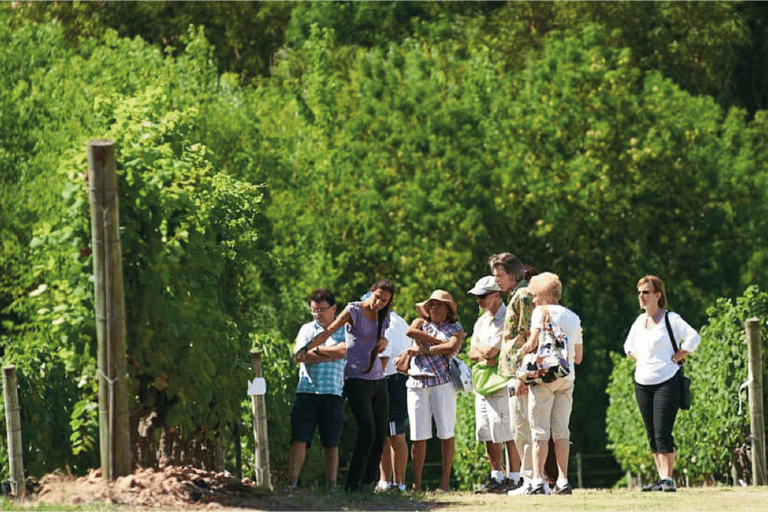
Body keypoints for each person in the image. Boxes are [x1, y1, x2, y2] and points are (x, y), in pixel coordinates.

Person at [298, 279, 395, 493]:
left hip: (378, 378)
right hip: (356, 379)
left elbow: (383, 339)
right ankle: (352, 485)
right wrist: (306, 348)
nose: (379, 302)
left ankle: (369, 484)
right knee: (367, 431)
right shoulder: (354, 310)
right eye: (377, 296)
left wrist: (384, 343)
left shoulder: (384, 315)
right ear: (371, 291)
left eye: (384, 300)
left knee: (380, 434)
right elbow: (328, 331)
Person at [624, 275, 700, 493]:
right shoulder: (639, 322)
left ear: (658, 295)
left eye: (646, 292)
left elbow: (693, 337)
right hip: (643, 383)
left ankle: (668, 479)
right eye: (639, 292)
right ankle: (660, 477)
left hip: (667, 381)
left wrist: (679, 356)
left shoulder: (671, 319)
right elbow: (628, 346)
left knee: (662, 430)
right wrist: (643, 360)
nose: (641, 296)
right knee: (651, 432)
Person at [520, 272, 583, 495]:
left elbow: (534, 342)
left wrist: (522, 349)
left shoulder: (541, 312)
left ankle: (538, 480)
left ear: (547, 294)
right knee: (561, 432)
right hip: (566, 378)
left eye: (535, 295)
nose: (534, 300)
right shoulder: (574, 317)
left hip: (544, 378)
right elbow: (578, 357)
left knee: (539, 431)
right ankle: (564, 480)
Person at [404, 290, 464, 492]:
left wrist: (424, 349)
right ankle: (416, 485)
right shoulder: (420, 322)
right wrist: (440, 342)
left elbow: (452, 347)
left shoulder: (456, 327)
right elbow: (410, 332)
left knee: (446, 432)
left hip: (443, 382)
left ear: (448, 308)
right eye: (431, 304)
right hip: (416, 382)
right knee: (418, 435)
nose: (433, 308)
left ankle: (444, 483)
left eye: (438, 304)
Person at [288, 289, 347, 491]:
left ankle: (332, 486)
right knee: (299, 438)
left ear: (333, 308)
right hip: (307, 390)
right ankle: (292, 483)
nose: (318, 314)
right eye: (314, 310)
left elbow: (345, 351)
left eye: (322, 310)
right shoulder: (306, 329)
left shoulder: (345, 329)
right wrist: (330, 353)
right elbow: (299, 355)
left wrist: (316, 351)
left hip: (333, 392)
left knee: (331, 442)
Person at [467, 276, 521, 493]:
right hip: (483, 383)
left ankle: (515, 477)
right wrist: (484, 352)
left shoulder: (508, 317)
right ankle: (496, 476)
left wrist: (484, 351)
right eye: (477, 296)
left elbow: (491, 352)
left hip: (501, 381)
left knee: (506, 430)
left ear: (496, 295)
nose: (478, 300)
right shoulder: (480, 321)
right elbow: (474, 353)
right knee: (486, 431)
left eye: (482, 296)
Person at [488, 252, 534, 495]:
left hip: (520, 373)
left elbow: (528, 336)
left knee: (523, 426)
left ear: (514, 275)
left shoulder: (524, 296)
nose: (496, 281)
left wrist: (523, 376)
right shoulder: (517, 294)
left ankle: (529, 480)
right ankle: (528, 480)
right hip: (514, 372)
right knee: (519, 426)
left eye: (500, 276)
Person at [374, 310, 411, 493]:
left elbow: (382, 360)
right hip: (396, 380)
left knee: (396, 434)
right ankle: (386, 482)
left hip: (390, 381)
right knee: (386, 434)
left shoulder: (386, 324)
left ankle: (399, 483)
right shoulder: (400, 321)